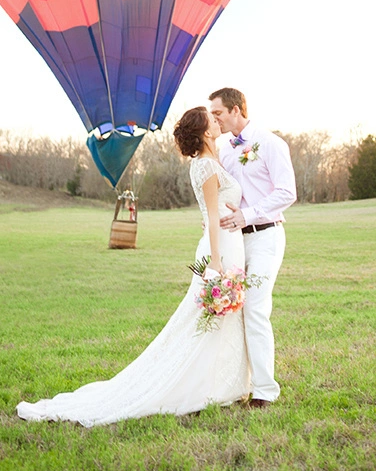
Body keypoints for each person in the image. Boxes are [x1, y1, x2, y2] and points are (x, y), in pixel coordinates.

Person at [17, 107, 250, 426]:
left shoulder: (214, 160)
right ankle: (200, 385)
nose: (216, 119)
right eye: (211, 118)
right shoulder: (206, 166)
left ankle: (223, 383)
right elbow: (210, 214)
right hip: (219, 248)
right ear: (206, 131)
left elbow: (222, 203)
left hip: (229, 242)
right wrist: (216, 260)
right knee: (207, 318)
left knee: (222, 318)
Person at [209, 87, 297, 408]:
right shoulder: (223, 151)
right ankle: (235, 387)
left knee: (255, 309)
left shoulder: (271, 143)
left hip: (265, 236)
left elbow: (287, 192)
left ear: (235, 110)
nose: (214, 118)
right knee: (231, 312)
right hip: (234, 242)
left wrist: (248, 214)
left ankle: (264, 392)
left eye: (218, 112)